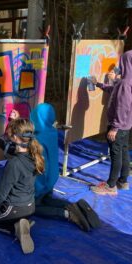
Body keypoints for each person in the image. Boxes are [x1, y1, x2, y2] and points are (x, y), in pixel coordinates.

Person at [30, 103, 100, 231]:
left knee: (32, 207)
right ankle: (73, 206)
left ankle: (67, 214)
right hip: (52, 179)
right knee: (47, 200)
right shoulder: (52, 131)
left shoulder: (36, 138)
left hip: (41, 182)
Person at [0, 119, 44, 254]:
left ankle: (16, 229)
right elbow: (6, 146)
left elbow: (3, 192)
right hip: (30, 206)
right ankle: (22, 221)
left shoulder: (14, 163)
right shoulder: (33, 154)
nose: (8, 137)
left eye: (10, 135)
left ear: (15, 138)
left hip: (14, 208)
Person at [90, 51, 132, 195]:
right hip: (126, 125)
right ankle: (123, 181)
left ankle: (111, 185)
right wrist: (100, 84)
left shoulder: (125, 83)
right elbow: (115, 90)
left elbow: (122, 106)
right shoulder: (126, 81)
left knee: (116, 154)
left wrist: (114, 128)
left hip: (119, 126)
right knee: (123, 151)